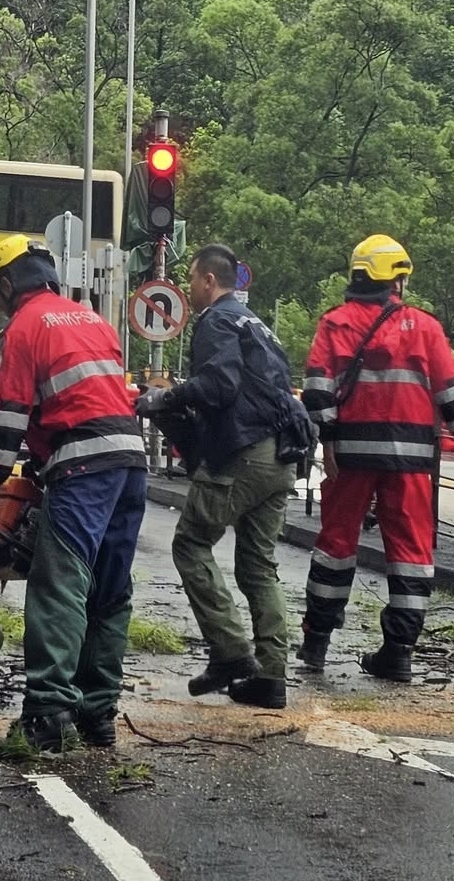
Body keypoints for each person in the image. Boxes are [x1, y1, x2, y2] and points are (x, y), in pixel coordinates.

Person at [0, 235, 146, 760]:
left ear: (8, 284)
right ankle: (97, 714)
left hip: (82, 468)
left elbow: (3, 428)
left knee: (59, 585)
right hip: (129, 463)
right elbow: (90, 399)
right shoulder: (91, 320)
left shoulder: (24, 328)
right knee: (109, 588)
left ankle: (46, 718)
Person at [134, 244, 313, 710]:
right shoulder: (260, 326)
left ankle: (231, 653)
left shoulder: (215, 322)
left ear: (208, 281)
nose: (189, 289)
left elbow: (219, 386)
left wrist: (166, 399)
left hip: (242, 455)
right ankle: (271, 677)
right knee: (259, 566)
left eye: (191, 280)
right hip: (280, 459)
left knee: (190, 544)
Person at [300, 234, 454, 683]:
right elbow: (450, 389)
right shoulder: (424, 326)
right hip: (411, 458)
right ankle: (399, 651)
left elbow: (317, 389)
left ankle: (317, 642)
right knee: (411, 553)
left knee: (335, 546)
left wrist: (328, 439)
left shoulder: (334, 323)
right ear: (394, 280)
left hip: (351, 456)